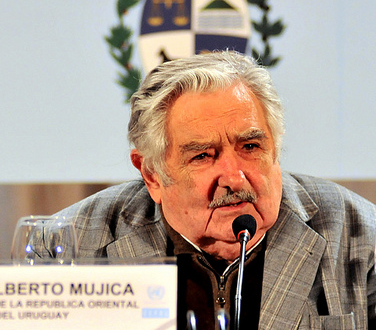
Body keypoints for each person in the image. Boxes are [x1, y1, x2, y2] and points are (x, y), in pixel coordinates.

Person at [54, 51, 376, 329]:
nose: (234, 178)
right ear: (152, 175)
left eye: (250, 146)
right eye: (203, 155)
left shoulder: (359, 236)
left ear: (275, 151)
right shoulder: (69, 246)